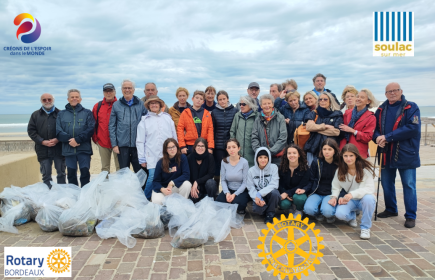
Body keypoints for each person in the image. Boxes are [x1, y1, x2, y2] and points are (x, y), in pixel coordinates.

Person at [373, 82, 421, 228]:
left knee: (409, 185)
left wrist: (387, 137)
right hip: (386, 153)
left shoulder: (411, 107)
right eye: (389, 91)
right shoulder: (381, 109)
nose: (392, 93)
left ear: (401, 91)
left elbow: (412, 128)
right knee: (387, 184)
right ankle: (391, 209)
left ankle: (410, 216)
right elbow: (374, 128)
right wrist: (377, 138)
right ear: (385, 94)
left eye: (395, 90)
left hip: (406, 154)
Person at [331, 143, 376, 239]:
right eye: (345, 156)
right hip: (350, 200)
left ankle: (365, 228)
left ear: (356, 156)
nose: (348, 159)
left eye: (351, 155)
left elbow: (370, 188)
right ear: (342, 156)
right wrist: (334, 197)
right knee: (340, 214)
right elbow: (336, 186)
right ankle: (352, 216)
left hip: (363, 199)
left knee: (369, 198)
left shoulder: (365, 169)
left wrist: (352, 194)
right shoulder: (340, 170)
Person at [137, 96, 177, 200]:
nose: (154, 105)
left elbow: (173, 136)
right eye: (151, 103)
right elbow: (140, 141)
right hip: (151, 154)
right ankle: (144, 200)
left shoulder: (167, 118)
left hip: (167, 154)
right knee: (152, 177)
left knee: (167, 176)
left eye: (156, 103)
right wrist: (142, 157)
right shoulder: (144, 121)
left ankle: (161, 198)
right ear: (148, 106)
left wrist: (175, 151)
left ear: (160, 105)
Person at [56, 89, 95, 187]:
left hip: (84, 149)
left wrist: (78, 140)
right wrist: (71, 140)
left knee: (85, 174)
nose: (74, 99)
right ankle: (74, 196)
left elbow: (90, 129)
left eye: (76, 97)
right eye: (72, 97)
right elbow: (58, 131)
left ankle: (85, 196)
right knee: (71, 175)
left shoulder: (87, 113)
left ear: (80, 99)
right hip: (68, 150)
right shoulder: (61, 114)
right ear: (68, 99)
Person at [28, 93, 65, 188]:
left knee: (61, 174)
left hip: (59, 149)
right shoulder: (35, 115)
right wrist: (42, 141)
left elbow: (65, 130)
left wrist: (58, 139)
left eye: (49, 99)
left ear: (53, 100)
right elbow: (31, 131)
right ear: (41, 101)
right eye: (44, 100)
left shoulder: (61, 114)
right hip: (43, 150)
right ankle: (48, 195)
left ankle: (62, 196)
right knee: (46, 176)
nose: (47, 101)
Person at [109, 79, 147, 173]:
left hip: (138, 145)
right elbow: (112, 125)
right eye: (125, 88)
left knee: (140, 172)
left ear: (133, 90)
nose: (127, 90)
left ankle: (141, 188)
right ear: (122, 90)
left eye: (129, 88)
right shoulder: (116, 105)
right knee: (123, 173)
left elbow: (147, 124)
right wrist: (114, 144)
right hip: (122, 146)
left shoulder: (141, 104)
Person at [303, 139, 340, 223]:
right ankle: (319, 212)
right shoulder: (317, 162)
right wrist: (305, 189)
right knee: (308, 210)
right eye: (324, 149)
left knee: (328, 212)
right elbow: (311, 179)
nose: (326, 152)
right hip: (317, 192)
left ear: (334, 151)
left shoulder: (339, 163)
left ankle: (328, 212)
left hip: (330, 193)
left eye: (330, 149)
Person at [304, 91, 343, 165]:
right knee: (313, 171)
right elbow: (308, 127)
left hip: (330, 147)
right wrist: (325, 126)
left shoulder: (337, 114)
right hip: (313, 147)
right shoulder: (314, 113)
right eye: (320, 99)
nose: (322, 101)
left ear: (330, 101)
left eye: (325, 99)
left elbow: (336, 132)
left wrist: (316, 129)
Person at [339, 89, 378, 158]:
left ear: (368, 101)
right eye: (357, 96)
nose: (358, 99)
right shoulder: (347, 113)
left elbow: (368, 137)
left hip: (358, 153)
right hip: (344, 151)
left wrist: (353, 131)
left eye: (362, 97)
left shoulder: (371, 117)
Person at [151, 138, 192, 205]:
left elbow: (186, 175)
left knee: (187, 184)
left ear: (177, 147)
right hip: (163, 189)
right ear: (166, 150)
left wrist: (172, 182)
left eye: (173, 146)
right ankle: (163, 213)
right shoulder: (160, 162)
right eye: (169, 148)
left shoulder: (182, 158)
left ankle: (181, 206)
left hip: (175, 187)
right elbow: (155, 181)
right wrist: (162, 189)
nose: (172, 149)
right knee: (157, 201)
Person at [216, 139, 250, 214]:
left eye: (234, 147)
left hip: (241, 190)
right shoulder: (224, 161)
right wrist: (227, 193)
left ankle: (239, 206)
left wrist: (234, 194)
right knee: (218, 202)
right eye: (229, 147)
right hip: (229, 189)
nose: (231, 149)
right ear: (226, 150)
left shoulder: (244, 162)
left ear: (238, 148)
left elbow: (245, 182)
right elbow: (223, 180)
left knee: (239, 204)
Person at [247, 147, 280, 224]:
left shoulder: (273, 167)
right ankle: (265, 209)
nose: (263, 160)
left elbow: (274, 184)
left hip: (269, 193)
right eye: (260, 157)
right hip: (258, 195)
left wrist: (260, 194)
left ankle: (270, 214)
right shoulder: (251, 171)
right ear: (256, 158)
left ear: (268, 158)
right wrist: (257, 197)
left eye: (265, 157)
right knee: (258, 210)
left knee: (275, 193)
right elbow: (250, 187)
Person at [92, 83, 120, 174]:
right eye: (106, 91)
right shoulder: (97, 106)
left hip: (118, 142)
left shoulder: (120, 105)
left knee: (119, 167)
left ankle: (121, 187)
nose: (108, 93)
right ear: (103, 93)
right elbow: (93, 123)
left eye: (110, 91)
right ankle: (105, 186)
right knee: (105, 168)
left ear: (114, 92)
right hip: (102, 141)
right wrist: (95, 138)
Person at [252, 94, 287, 165]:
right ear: (261, 106)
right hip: (263, 158)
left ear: (273, 104)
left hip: (278, 157)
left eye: (269, 103)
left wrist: (270, 152)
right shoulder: (257, 120)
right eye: (264, 104)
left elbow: (283, 137)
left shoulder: (280, 118)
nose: (267, 106)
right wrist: (260, 152)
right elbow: (254, 137)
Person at [211, 90, 238, 183]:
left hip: (231, 144)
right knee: (219, 166)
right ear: (217, 101)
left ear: (228, 99)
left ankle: (230, 188)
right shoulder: (214, 112)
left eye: (224, 99)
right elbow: (213, 129)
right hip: (218, 145)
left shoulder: (235, 111)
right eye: (220, 99)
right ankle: (216, 189)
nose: (222, 101)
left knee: (231, 166)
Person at [177, 90, 214, 155]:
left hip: (203, 145)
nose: (198, 100)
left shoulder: (207, 113)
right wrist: (182, 146)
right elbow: (180, 129)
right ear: (192, 99)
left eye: (201, 99)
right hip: (190, 145)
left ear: (203, 102)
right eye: (197, 98)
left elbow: (210, 131)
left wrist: (210, 147)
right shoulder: (185, 113)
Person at [278, 145, 310, 217]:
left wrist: (288, 193)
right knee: (284, 204)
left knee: (299, 198)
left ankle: (299, 209)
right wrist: (284, 193)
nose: (292, 155)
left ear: (299, 155)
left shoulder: (305, 169)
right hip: (284, 192)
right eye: (289, 153)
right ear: (286, 155)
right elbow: (279, 184)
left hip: (298, 193)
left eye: (294, 153)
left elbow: (302, 185)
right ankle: (291, 208)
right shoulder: (281, 168)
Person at [230, 96, 259, 167]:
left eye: (244, 104)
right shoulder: (237, 116)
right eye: (240, 104)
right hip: (239, 153)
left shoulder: (257, 116)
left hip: (252, 152)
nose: (241, 106)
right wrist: (234, 146)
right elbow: (232, 131)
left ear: (250, 105)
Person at [188, 138, 218, 203]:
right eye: (198, 146)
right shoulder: (190, 157)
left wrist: (197, 181)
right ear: (195, 147)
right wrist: (192, 186)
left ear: (206, 147)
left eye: (202, 146)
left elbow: (211, 174)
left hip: (206, 186)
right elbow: (188, 174)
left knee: (211, 183)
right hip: (194, 187)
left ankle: (211, 201)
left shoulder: (210, 157)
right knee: (194, 200)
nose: (200, 148)